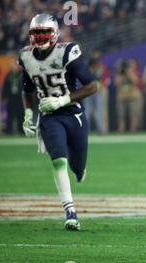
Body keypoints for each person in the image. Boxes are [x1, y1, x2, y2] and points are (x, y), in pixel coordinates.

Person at [19, 14, 97, 230]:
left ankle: (80, 169)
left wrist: (62, 99)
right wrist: (28, 113)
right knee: (58, 160)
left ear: (54, 33)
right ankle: (70, 211)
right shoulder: (26, 57)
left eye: (44, 32)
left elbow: (92, 86)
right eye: (36, 32)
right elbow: (27, 89)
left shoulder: (66, 53)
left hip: (74, 114)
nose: (40, 36)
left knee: (77, 167)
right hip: (50, 117)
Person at [115, 58, 143, 132]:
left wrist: (129, 73)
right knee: (121, 114)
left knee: (133, 114)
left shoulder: (135, 72)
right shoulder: (120, 73)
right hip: (122, 96)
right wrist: (121, 73)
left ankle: (133, 129)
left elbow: (136, 81)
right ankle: (121, 129)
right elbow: (117, 83)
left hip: (133, 96)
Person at [2, 61, 24, 134]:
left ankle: (21, 130)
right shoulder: (8, 76)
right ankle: (9, 130)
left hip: (20, 97)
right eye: (10, 67)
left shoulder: (21, 75)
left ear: (16, 67)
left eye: (13, 66)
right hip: (11, 97)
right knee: (10, 114)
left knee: (21, 114)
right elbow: (5, 87)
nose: (12, 68)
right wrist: (4, 97)